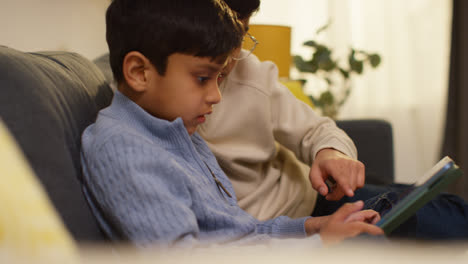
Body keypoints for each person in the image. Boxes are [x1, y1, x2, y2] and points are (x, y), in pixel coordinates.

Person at [80, 0, 382, 248]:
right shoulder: (125, 149)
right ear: (138, 72)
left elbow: (239, 231)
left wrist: (311, 228)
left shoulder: (175, 127)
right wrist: (316, 244)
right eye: (203, 79)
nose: (216, 95)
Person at [199, 0, 468, 240]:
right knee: (446, 219)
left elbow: (318, 130)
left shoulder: (251, 73)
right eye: (222, 38)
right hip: (286, 228)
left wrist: (331, 153)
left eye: (242, 36)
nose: (231, 59)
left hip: (311, 198)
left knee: (447, 207)